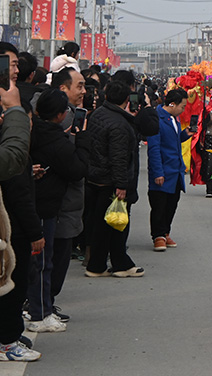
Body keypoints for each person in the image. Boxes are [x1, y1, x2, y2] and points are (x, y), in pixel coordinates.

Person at [26, 89, 89, 333]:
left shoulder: (34, 133)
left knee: (39, 261)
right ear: (62, 115)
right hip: (45, 206)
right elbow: (77, 169)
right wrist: (81, 141)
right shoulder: (56, 143)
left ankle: (41, 308)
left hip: (36, 203)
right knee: (42, 262)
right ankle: (39, 313)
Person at [84, 79, 143, 278]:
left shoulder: (98, 114)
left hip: (95, 176)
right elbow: (119, 158)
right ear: (127, 99)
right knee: (115, 223)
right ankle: (114, 264)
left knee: (102, 224)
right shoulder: (119, 124)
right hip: (110, 180)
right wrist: (121, 185)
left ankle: (101, 264)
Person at [0, 99, 43, 362]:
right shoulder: (12, 156)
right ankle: (8, 342)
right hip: (13, 232)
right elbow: (20, 197)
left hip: (11, 228)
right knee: (12, 288)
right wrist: (36, 233)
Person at [146, 88, 192, 252]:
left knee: (172, 203)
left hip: (175, 170)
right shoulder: (156, 119)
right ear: (172, 104)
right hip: (163, 169)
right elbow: (154, 148)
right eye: (182, 106)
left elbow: (173, 140)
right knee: (159, 204)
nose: (183, 109)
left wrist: (185, 134)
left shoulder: (174, 119)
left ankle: (166, 231)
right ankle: (157, 235)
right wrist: (157, 172)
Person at [0, 43, 29, 182]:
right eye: (13, 65)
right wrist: (14, 108)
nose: (17, 70)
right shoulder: (13, 102)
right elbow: (14, 157)